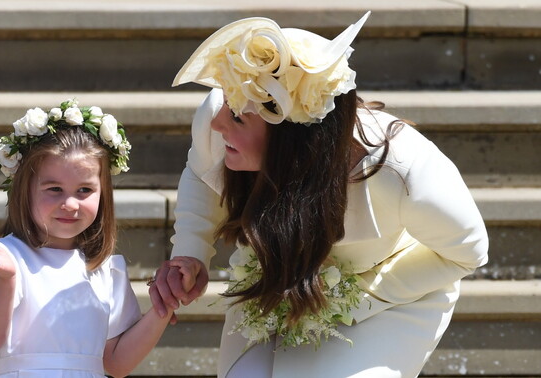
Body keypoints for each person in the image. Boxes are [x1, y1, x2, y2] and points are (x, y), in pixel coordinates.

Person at [150, 12, 489, 378]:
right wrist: (190, 251)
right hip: (278, 276)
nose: (218, 124)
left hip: (389, 297)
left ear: (291, 139)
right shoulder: (219, 115)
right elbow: (202, 176)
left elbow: (468, 253)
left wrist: (351, 300)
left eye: (237, 118)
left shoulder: (403, 170)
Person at [0, 99, 191, 377]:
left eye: (84, 190)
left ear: (103, 192)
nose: (70, 204)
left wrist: (163, 306)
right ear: (24, 189)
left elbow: (116, 362)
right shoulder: (2, 258)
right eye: (54, 189)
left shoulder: (105, 268)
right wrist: (6, 279)